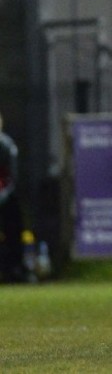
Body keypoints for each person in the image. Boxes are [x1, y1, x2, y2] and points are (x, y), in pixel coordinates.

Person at [0, 111, 23, 282]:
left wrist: (4, 194)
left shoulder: (7, 145)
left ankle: (14, 270)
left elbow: (12, 178)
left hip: (6, 199)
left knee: (13, 232)